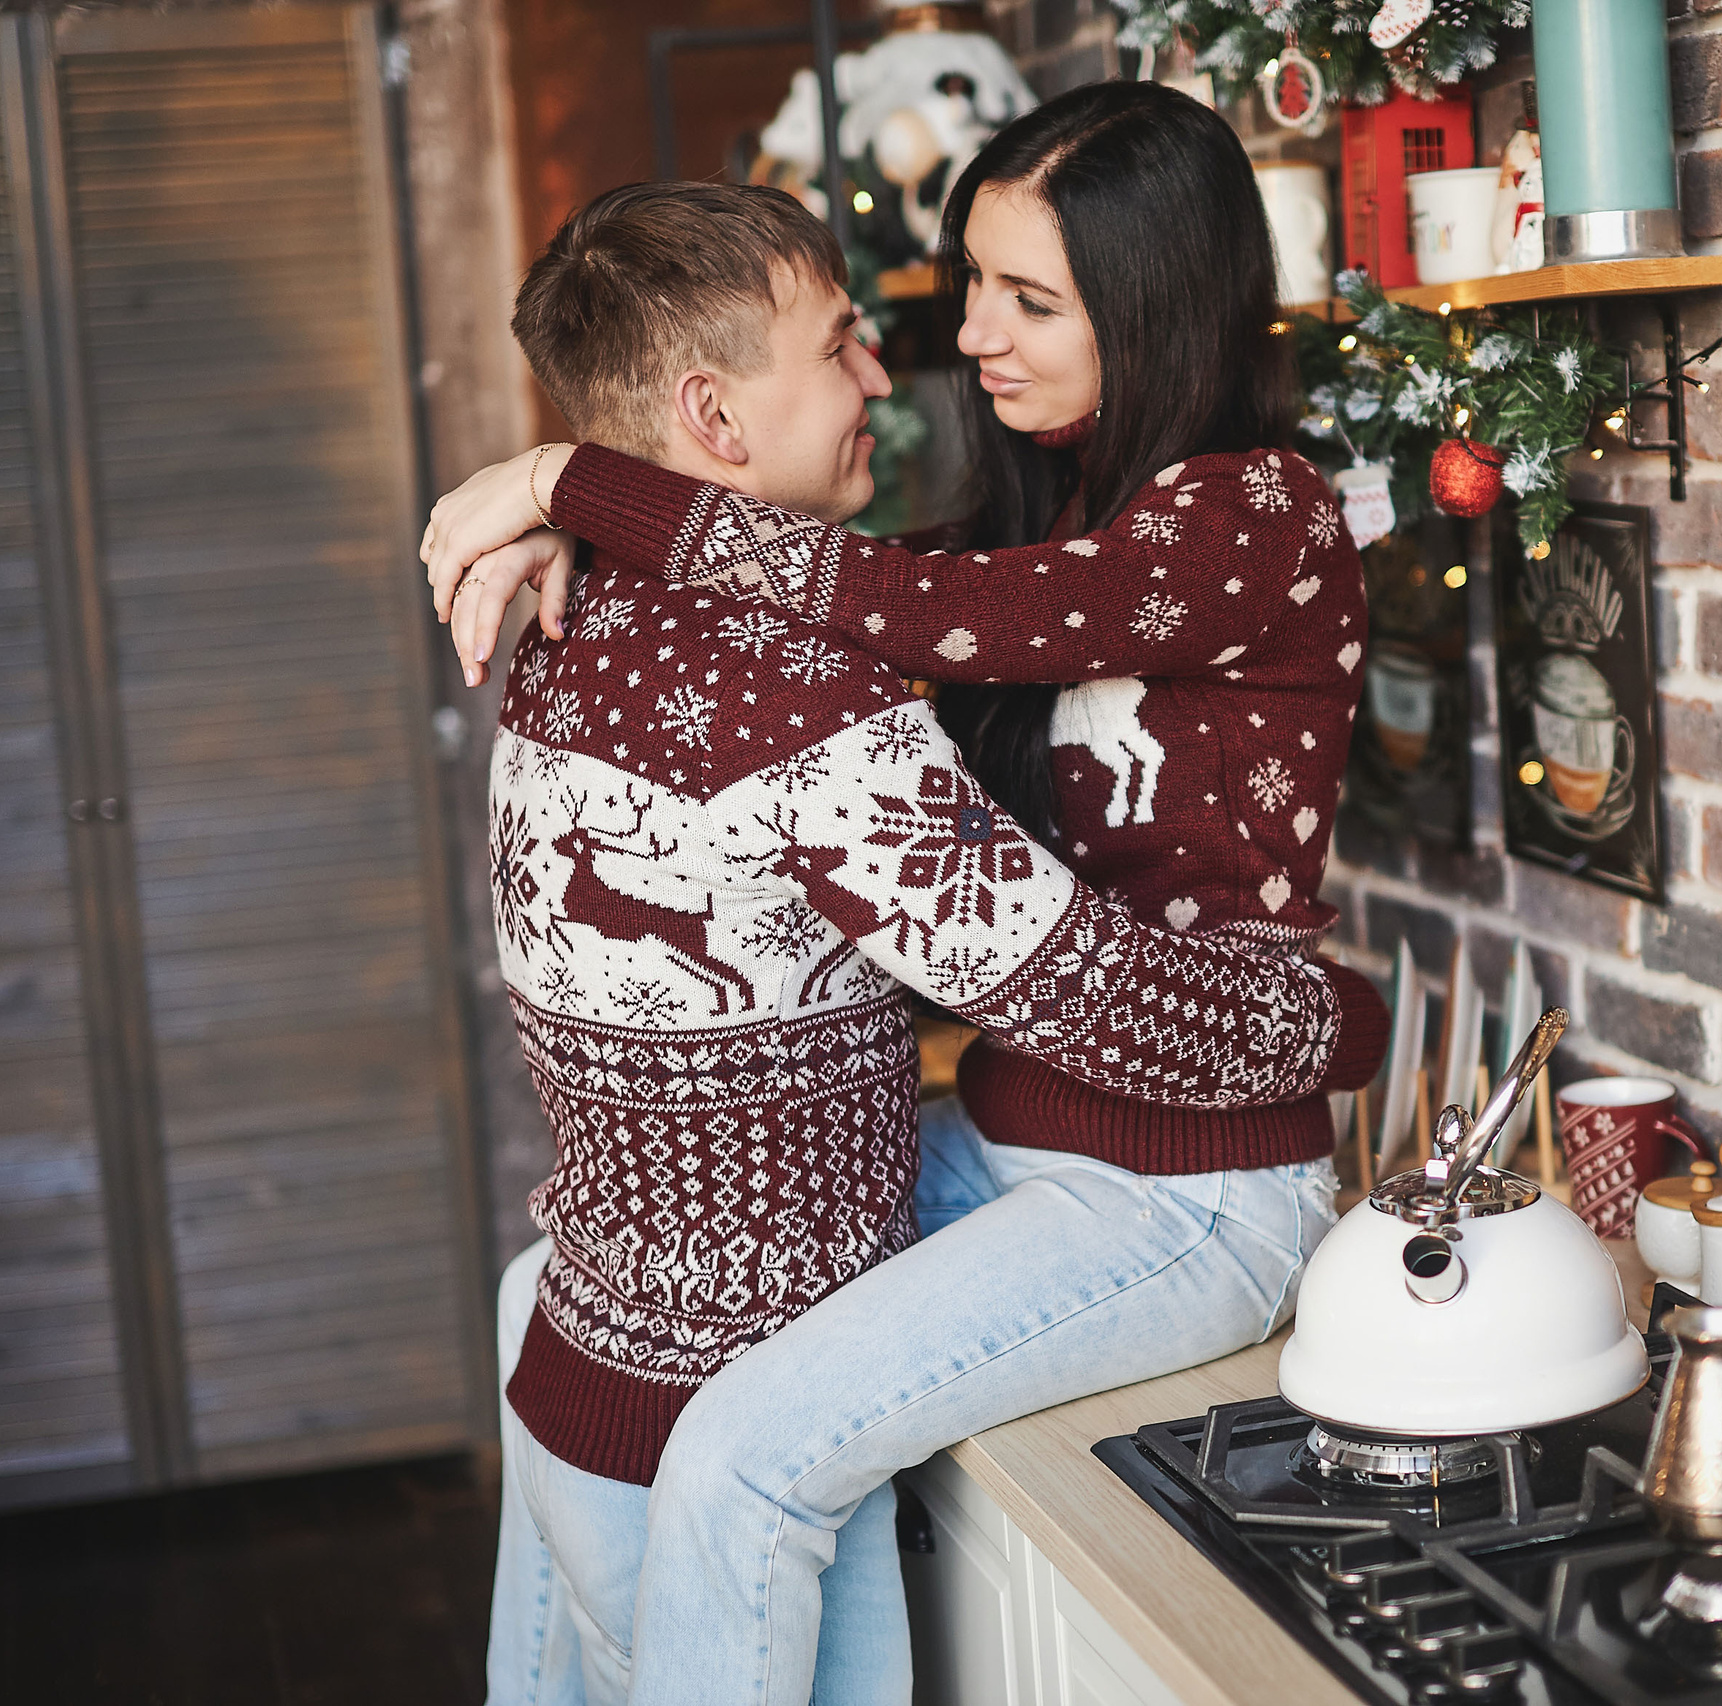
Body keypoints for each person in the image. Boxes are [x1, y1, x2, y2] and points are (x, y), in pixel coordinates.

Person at [466, 176, 1384, 1706]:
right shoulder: (1027, 525)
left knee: (739, 1458)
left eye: (1025, 302)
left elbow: (886, 604)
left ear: (1148, 305)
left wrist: (580, 485)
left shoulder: (1248, 513)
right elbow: (902, 600)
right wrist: (593, 508)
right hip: (1032, 1116)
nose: (946, 349)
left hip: (1193, 1166)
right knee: (540, 1292)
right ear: (712, 407)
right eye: (897, 321)